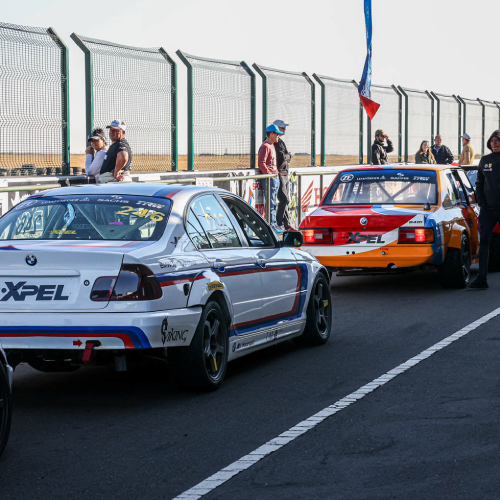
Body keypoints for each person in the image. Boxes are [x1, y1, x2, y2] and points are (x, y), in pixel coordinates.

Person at [469, 130, 500, 289]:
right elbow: (479, 183)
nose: (494, 143)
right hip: (488, 209)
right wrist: (481, 202)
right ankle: (482, 279)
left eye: (497, 140)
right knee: (485, 241)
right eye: (492, 140)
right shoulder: (485, 160)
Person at [273, 119, 296, 231]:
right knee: (284, 199)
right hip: (279, 173)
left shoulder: (280, 141)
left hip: (284, 173)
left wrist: (287, 156)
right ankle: (279, 223)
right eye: (282, 128)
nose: (284, 129)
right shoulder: (275, 142)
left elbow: (284, 157)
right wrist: (289, 156)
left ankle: (286, 224)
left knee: (286, 200)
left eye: (284, 128)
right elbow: (282, 157)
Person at [258, 124, 281, 231]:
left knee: (274, 202)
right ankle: (272, 226)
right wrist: (269, 175)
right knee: (271, 203)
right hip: (270, 179)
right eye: (277, 134)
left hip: (274, 178)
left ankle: (274, 224)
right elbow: (261, 163)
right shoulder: (265, 146)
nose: (278, 136)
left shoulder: (271, 145)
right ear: (271, 134)